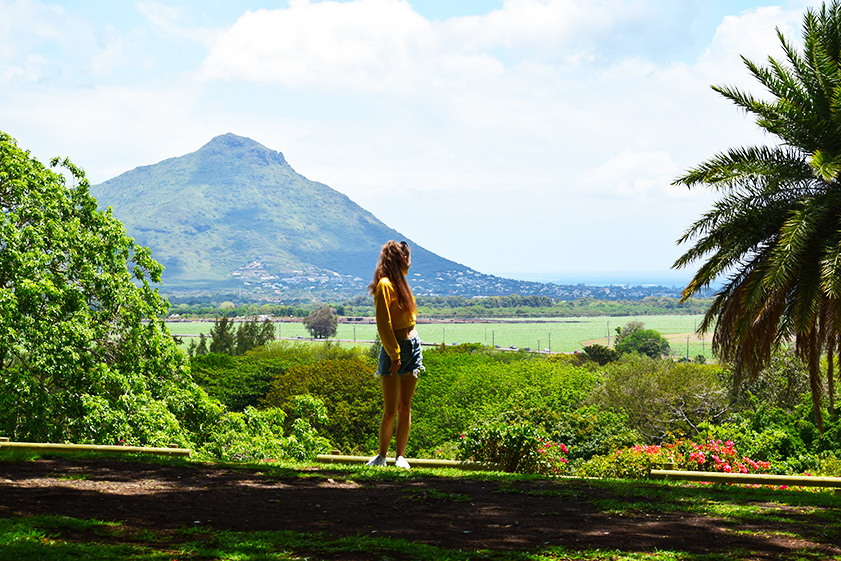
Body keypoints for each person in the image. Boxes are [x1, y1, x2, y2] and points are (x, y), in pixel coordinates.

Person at [366, 240, 424, 469]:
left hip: (413, 345)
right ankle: (382, 455)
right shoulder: (385, 285)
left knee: (405, 406)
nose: (409, 263)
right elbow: (384, 324)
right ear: (399, 260)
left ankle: (400, 456)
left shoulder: (401, 282)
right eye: (406, 258)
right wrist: (394, 353)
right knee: (391, 409)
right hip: (395, 349)